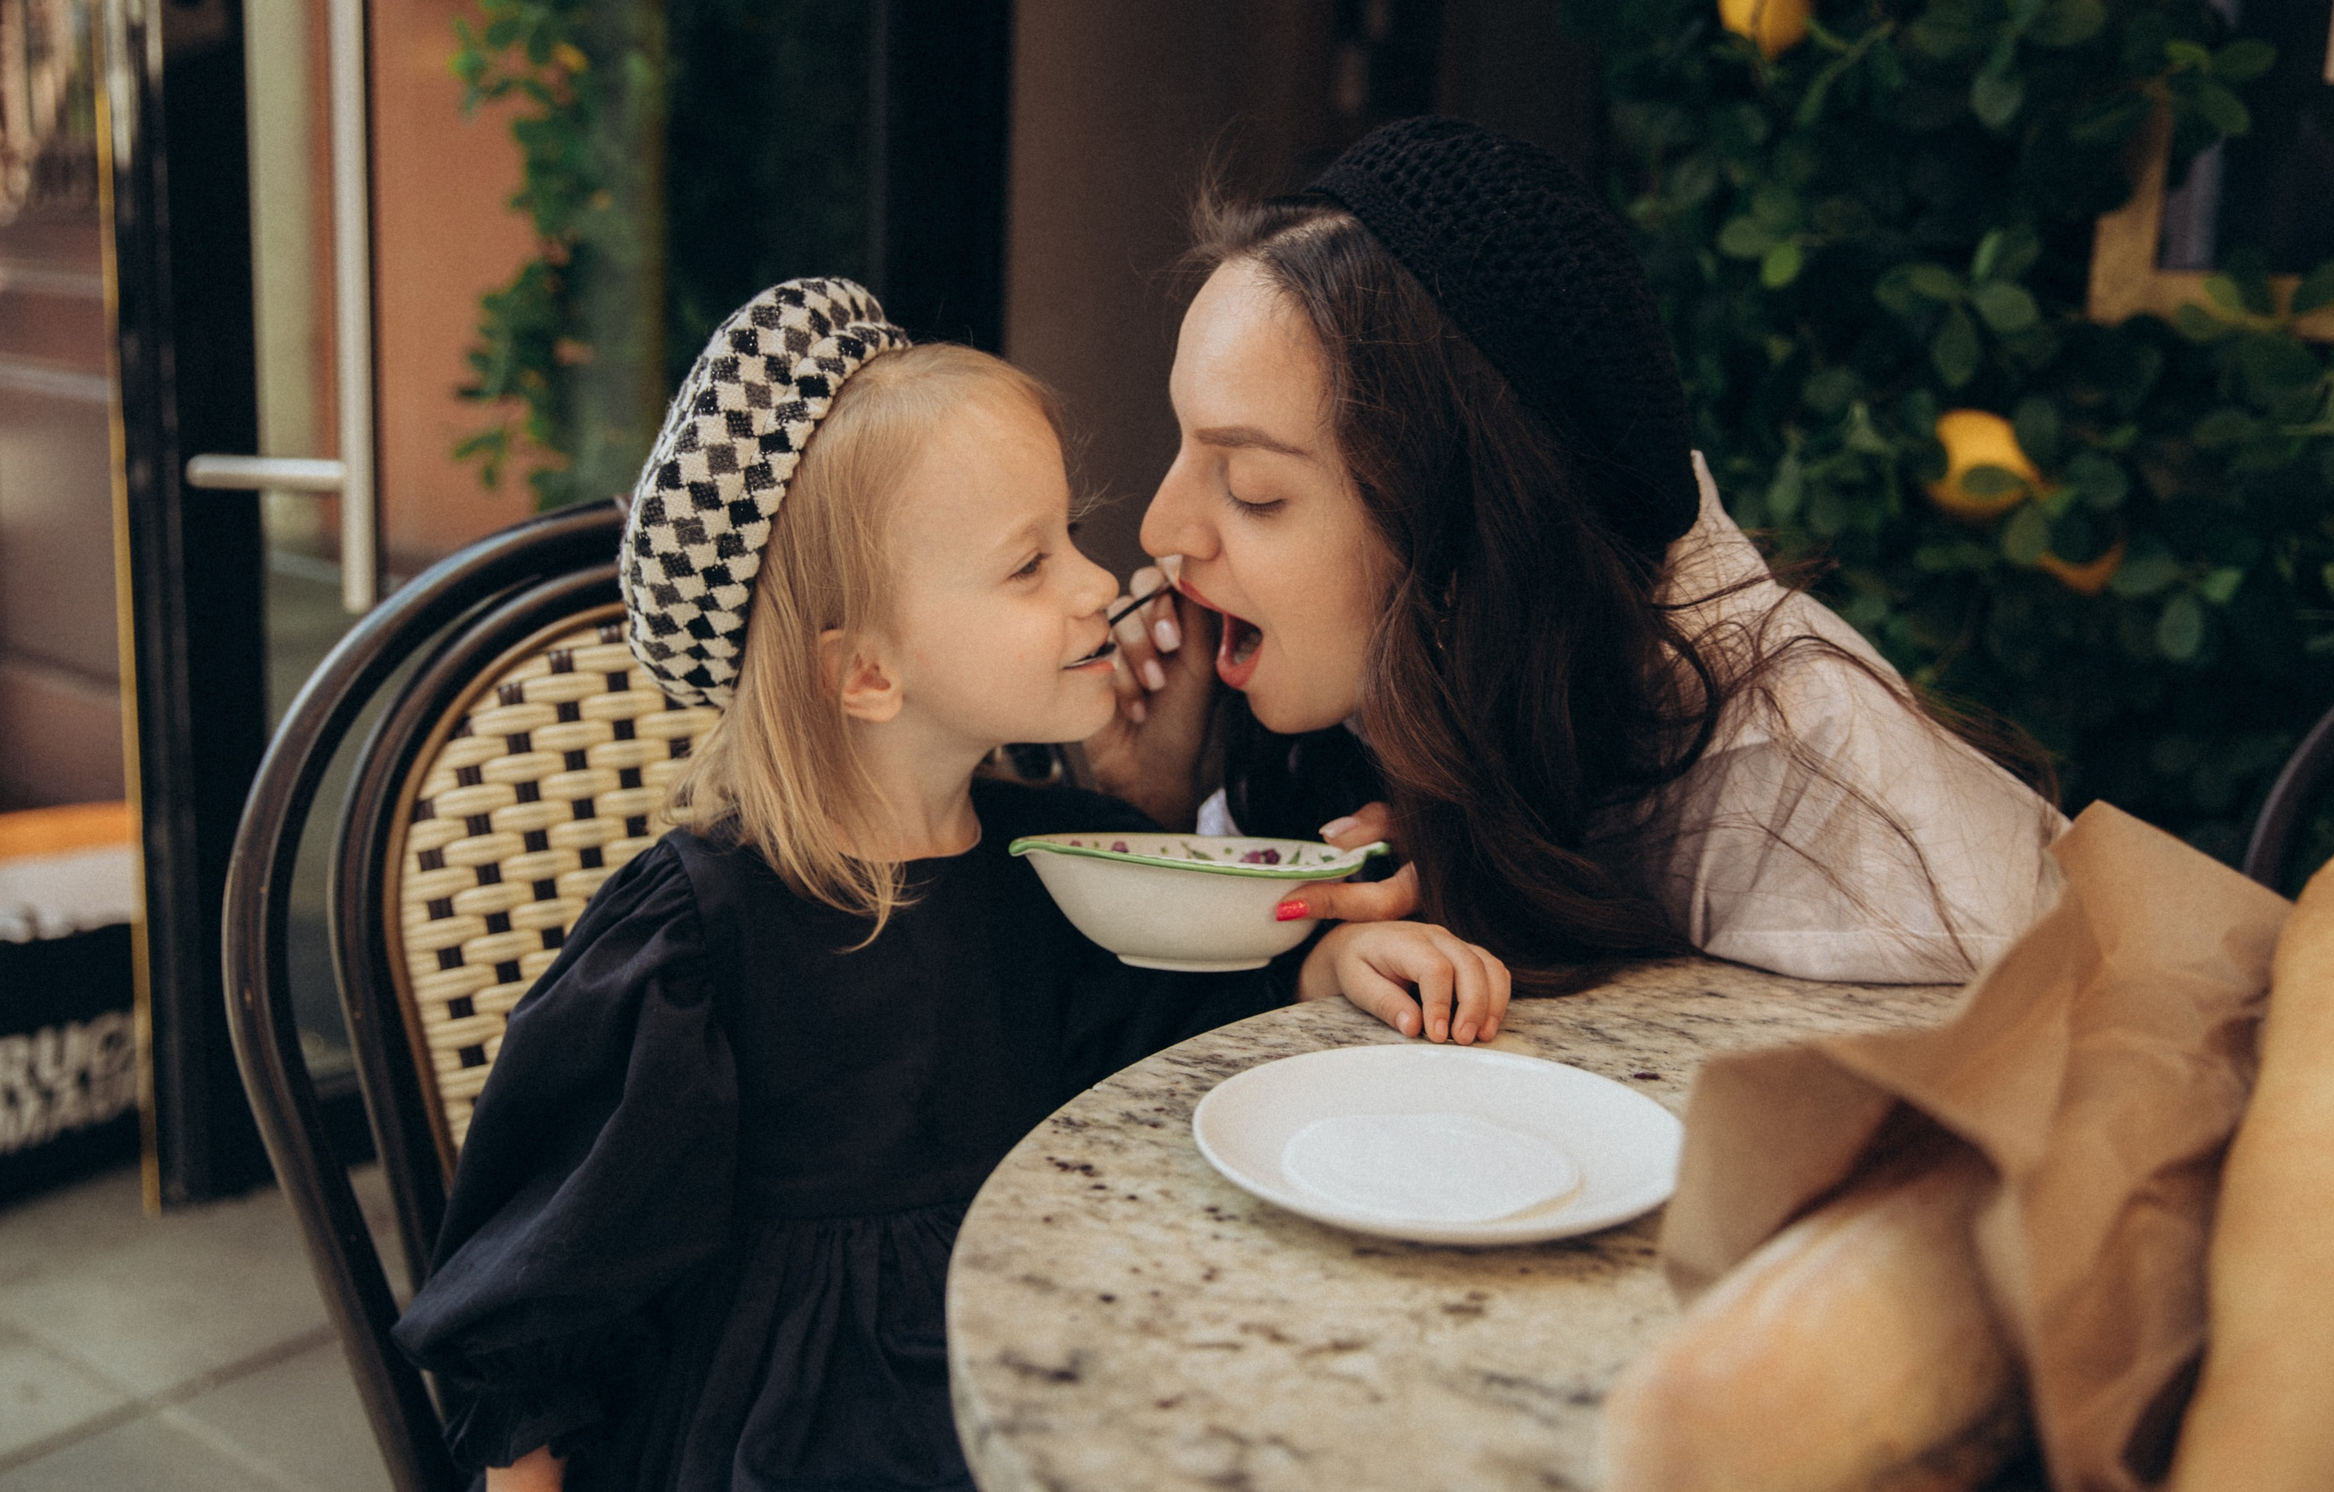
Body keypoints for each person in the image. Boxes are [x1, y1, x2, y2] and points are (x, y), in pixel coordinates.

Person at [392, 279, 1504, 1492]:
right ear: (865, 672)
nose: (1098, 582)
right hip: (792, 1441)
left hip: (1043, 1372)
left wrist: (1326, 961)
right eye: (1030, 565)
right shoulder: (695, 947)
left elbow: (1169, 1026)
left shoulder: (1062, 863)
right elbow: (549, 1303)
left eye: (1071, 536)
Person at [1092, 118, 2066, 990]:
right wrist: (1151, 799)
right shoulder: (1385, 677)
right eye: (1182, 446)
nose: (1159, 531)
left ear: (1463, 529)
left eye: (1254, 490)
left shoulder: (1808, 797)